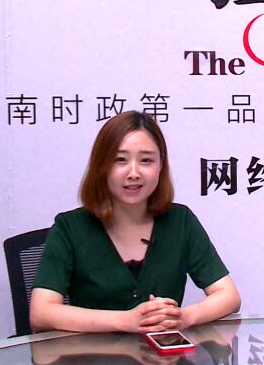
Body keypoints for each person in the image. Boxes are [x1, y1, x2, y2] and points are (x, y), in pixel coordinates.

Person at [30, 111, 240, 333]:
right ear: (101, 165)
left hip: (165, 354)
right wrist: (125, 321)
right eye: (120, 160)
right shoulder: (70, 228)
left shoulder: (181, 221)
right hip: (91, 354)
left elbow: (229, 296)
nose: (133, 173)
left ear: (161, 164)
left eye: (146, 160)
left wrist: (185, 317)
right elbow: (41, 313)